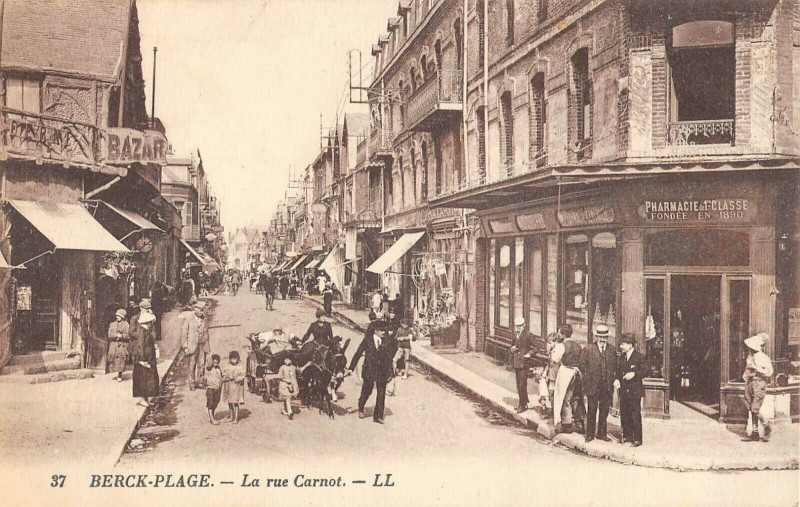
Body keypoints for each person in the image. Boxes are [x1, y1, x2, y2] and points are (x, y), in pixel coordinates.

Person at [347, 319, 398, 424]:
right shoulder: (367, 340)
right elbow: (358, 354)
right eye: (381, 330)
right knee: (367, 391)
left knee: (381, 393)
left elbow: (395, 347)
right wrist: (351, 368)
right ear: (375, 331)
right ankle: (361, 406)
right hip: (369, 370)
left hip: (382, 370)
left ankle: (378, 416)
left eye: (384, 330)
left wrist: (389, 361)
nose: (384, 332)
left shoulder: (387, 340)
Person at [580, 324, 617, 442]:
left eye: (604, 337)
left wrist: (613, 379)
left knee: (604, 410)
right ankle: (589, 434)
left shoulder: (612, 350)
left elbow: (615, 366)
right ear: (596, 337)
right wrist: (588, 377)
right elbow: (582, 365)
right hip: (593, 385)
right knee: (592, 409)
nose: (602, 339)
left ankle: (602, 434)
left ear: (607, 337)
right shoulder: (588, 349)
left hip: (607, 385)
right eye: (600, 337)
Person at [741, 333, 774, 442]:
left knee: (755, 408)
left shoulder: (764, 358)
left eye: (750, 347)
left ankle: (766, 425)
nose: (749, 349)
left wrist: (757, 368)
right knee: (751, 408)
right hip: (750, 383)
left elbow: (769, 372)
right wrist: (745, 378)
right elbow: (747, 370)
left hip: (759, 383)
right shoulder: (750, 357)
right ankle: (754, 433)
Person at [614, 333, 645, 446]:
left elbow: (646, 371)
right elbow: (618, 372)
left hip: (634, 391)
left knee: (635, 414)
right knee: (624, 414)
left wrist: (634, 374)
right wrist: (616, 380)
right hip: (623, 390)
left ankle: (637, 439)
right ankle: (627, 436)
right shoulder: (622, 358)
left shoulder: (639, 357)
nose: (621, 346)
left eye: (623, 344)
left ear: (630, 345)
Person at [553, 328, 584, 434]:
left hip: (566, 373)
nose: (558, 335)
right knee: (576, 398)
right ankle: (579, 422)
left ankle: (567, 425)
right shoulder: (578, 346)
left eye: (559, 333)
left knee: (564, 398)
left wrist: (554, 349)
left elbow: (555, 359)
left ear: (564, 334)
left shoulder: (562, 346)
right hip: (577, 373)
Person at [132, 311, 159, 407]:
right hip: (143, 360)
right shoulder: (142, 332)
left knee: (147, 379)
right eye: (150, 322)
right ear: (147, 322)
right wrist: (142, 360)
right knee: (142, 380)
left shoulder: (146, 331)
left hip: (148, 358)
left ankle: (146, 399)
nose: (151, 324)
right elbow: (140, 346)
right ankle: (142, 399)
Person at [183, 304, 210, 391]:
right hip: (192, 346)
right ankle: (192, 383)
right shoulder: (188, 319)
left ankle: (200, 382)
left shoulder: (204, 319)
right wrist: (185, 347)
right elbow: (184, 334)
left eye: (202, 310)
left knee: (201, 364)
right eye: (200, 310)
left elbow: (206, 333)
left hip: (202, 345)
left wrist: (207, 346)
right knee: (192, 365)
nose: (202, 312)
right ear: (195, 310)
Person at [510, 316, 532, 413]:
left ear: (524, 325)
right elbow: (512, 345)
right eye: (516, 326)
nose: (518, 328)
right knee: (519, 384)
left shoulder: (528, 335)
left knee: (522, 384)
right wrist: (512, 349)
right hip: (517, 362)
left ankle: (522, 405)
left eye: (520, 326)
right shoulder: (515, 335)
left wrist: (529, 354)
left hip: (524, 363)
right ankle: (523, 402)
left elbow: (536, 348)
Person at [222, 351, 246, 424]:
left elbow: (242, 376)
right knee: (229, 402)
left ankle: (236, 418)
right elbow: (224, 373)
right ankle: (231, 416)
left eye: (235, 359)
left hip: (236, 387)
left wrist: (236, 378)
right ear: (229, 359)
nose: (234, 361)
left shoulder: (240, 367)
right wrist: (227, 376)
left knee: (235, 403)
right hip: (229, 386)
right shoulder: (227, 367)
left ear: (238, 359)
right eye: (232, 359)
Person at [107, 309, 130, 382]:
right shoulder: (113, 324)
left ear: (123, 317)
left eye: (119, 316)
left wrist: (122, 336)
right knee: (112, 358)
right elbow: (109, 334)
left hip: (122, 345)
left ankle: (120, 374)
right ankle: (113, 370)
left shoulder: (126, 325)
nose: (117, 317)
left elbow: (129, 335)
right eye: (117, 316)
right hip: (114, 344)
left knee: (121, 359)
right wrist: (115, 335)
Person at [278, 356, 299, 420]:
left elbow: (300, 370)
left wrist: (307, 364)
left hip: (293, 385)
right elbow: (279, 377)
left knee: (288, 398)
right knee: (288, 397)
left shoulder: (293, 367)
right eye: (285, 360)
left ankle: (283, 409)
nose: (286, 361)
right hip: (285, 384)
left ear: (291, 360)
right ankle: (290, 412)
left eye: (288, 359)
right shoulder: (282, 367)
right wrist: (286, 381)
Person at [205, 354, 222, 425]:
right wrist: (211, 360)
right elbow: (208, 363)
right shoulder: (209, 368)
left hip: (217, 388)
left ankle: (211, 416)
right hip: (210, 388)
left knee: (216, 402)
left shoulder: (219, 369)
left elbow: (221, 378)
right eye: (214, 362)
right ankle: (212, 419)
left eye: (217, 363)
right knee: (210, 403)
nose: (215, 364)